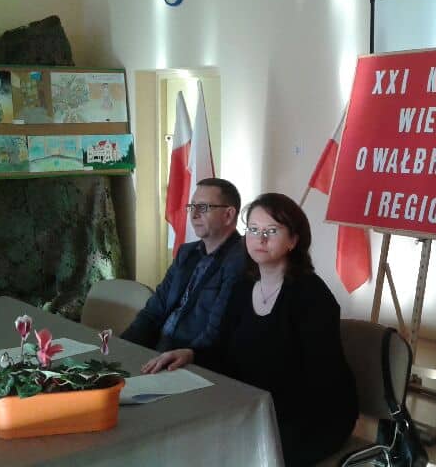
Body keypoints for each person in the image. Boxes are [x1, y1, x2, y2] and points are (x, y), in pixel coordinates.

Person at [142, 193, 358, 466]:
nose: (260, 239)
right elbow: (224, 350)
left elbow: (319, 377)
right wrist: (191, 354)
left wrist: (247, 408)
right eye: (253, 230)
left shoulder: (311, 295)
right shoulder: (243, 287)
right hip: (255, 403)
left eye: (272, 231)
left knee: (231, 451)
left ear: (293, 240)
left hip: (314, 415)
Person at [121, 178, 246, 352]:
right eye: (191, 206)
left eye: (203, 207)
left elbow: (217, 333)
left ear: (228, 215)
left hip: (189, 356)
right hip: (155, 347)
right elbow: (154, 310)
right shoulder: (186, 253)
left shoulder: (241, 260)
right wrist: (123, 346)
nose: (193, 215)